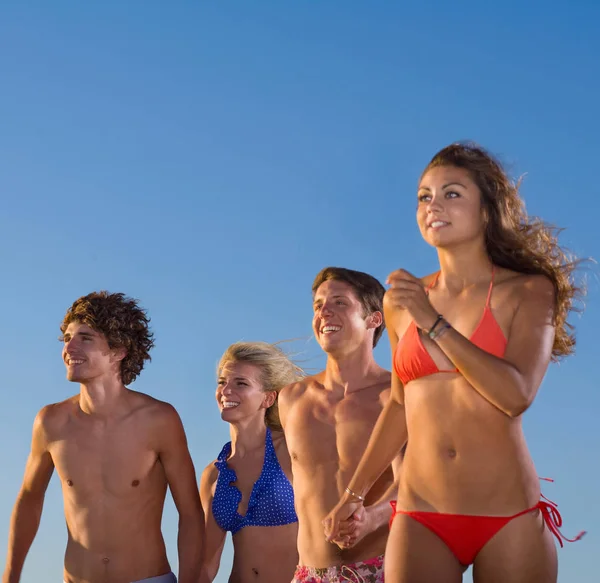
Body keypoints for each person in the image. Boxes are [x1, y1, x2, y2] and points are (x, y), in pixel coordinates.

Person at [324, 143, 585, 583]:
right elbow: (400, 406)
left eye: (451, 194)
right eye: (424, 196)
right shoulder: (400, 301)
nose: (433, 206)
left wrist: (435, 323)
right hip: (421, 514)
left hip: (507, 515)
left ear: (486, 211)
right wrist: (353, 493)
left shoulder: (527, 291)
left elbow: (515, 395)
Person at [2, 291, 204, 583]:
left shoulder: (160, 419)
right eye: (67, 337)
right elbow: (29, 500)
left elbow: (190, 513)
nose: (69, 347)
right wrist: (10, 576)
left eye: (85, 338)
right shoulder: (51, 422)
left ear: (119, 350)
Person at [278, 267, 405, 583]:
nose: (324, 312)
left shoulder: (397, 397)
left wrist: (372, 517)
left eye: (339, 303)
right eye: (318, 305)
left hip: (381, 571)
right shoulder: (291, 398)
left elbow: (418, 483)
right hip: (309, 574)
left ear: (374, 320)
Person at [200, 342, 302, 583]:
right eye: (222, 382)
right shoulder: (214, 475)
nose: (225, 391)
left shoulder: (291, 452)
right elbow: (206, 563)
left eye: (241, 383)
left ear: (268, 398)